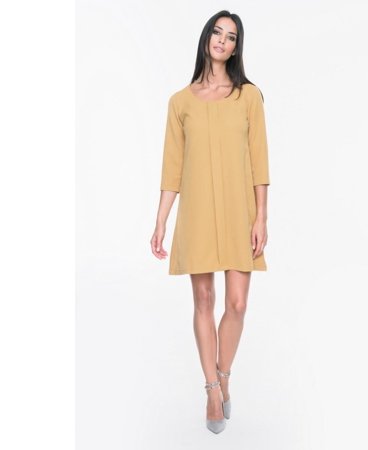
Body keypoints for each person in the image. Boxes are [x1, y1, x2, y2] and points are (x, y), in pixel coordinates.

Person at [150, 10, 271, 434]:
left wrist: (261, 217)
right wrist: (161, 222)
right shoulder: (180, 102)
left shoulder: (248, 97)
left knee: (237, 303)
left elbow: (259, 162)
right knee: (203, 300)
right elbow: (172, 168)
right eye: (217, 32)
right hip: (198, 212)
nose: (222, 40)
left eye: (231, 36)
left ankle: (224, 375)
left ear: (236, 48)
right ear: (206, 38)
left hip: (240, 212)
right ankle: (212, 391)